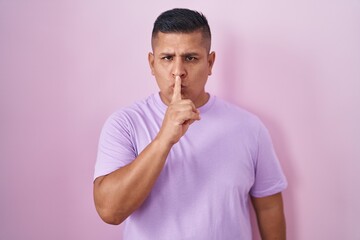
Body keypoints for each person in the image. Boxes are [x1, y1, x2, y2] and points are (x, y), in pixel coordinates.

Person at [93, 8, 287, 240]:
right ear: (152, 63)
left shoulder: (249, 128)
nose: (178, 72)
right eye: (167, 58)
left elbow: (269, 207)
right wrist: (165, 138)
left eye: (191, 58)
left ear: (210, 62)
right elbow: (110, 211)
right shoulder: (125, 123)